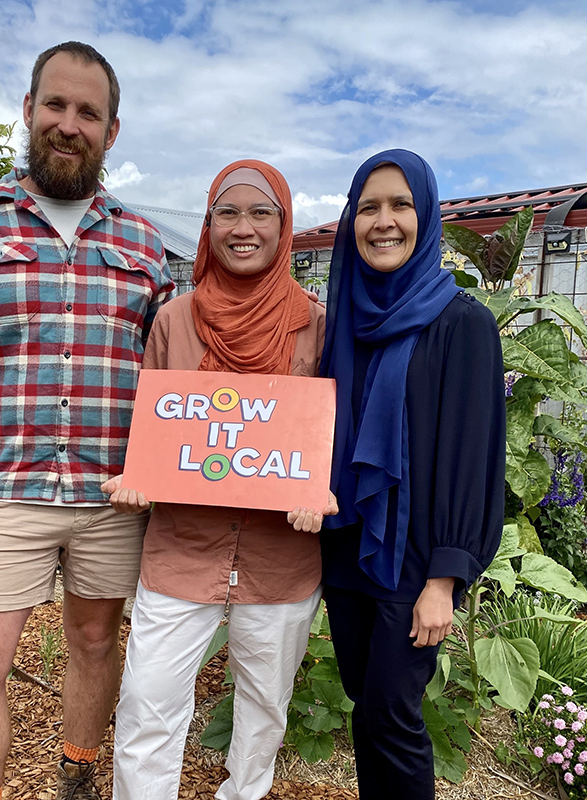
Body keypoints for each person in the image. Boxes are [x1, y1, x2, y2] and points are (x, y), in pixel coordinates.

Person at [0, 41, 174, 800]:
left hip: (111, 496)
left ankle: (78, 769)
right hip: (5, 490)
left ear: (111, 131)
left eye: (88, 112)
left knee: (95, 640)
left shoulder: (144, 246)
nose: (70, 123)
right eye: (55, 105)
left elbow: (164, 376)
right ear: (28, 111)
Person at [101, 160, 337, 800]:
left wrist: (321, 485)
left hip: (280, 556)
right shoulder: (175, 320)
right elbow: (158, 429)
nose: (243, 228)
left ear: (283, 226)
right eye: (227, 213)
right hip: (182, 550)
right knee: (148, 705)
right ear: (207, 225)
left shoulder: (317, 325)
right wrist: (138, 476)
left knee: (265, 711)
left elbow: (327, 432)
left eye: (261, 213)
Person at [319, 149, 505, 799]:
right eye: (368, 207)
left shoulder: (464, 325)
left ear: (425, 216)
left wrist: (445, 579)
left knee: (395, 717)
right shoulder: (345, 323)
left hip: (415, 562)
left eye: (401, 205)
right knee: (365, 709)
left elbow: (472, 456)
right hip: (346, 551)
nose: (384, 221)